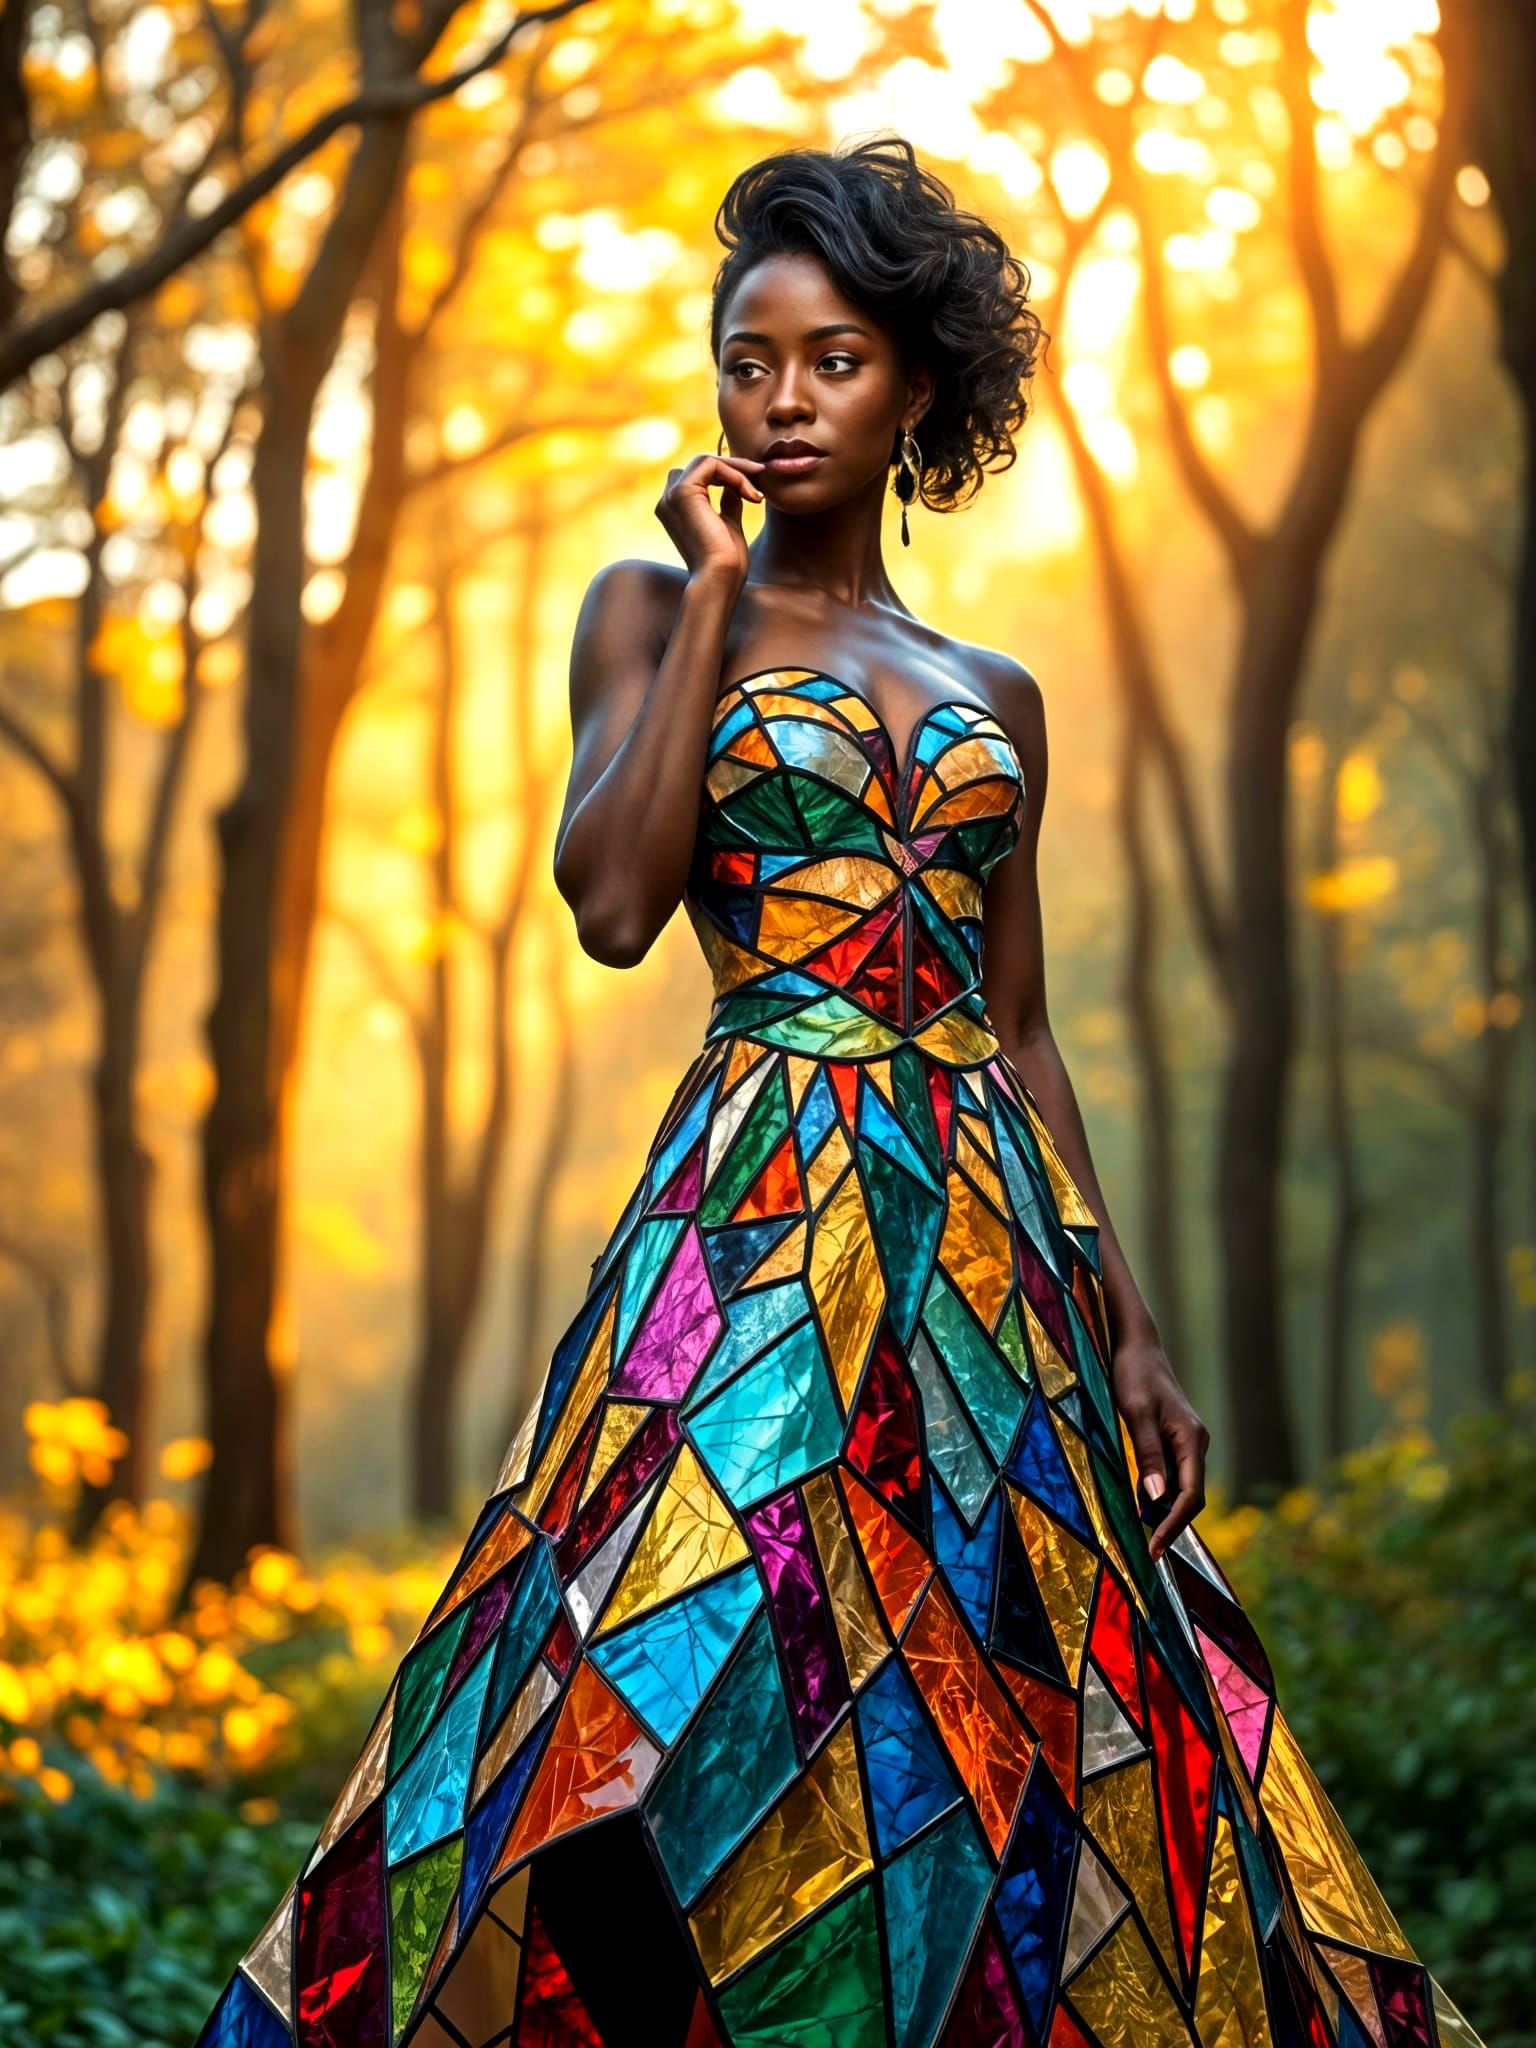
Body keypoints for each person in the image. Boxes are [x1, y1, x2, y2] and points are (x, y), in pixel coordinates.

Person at [195, 137, 1485, 2048]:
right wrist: (716, 595)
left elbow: (1019, 1025)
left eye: (833, 361)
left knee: (1002, 1695)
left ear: (916, 389)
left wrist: (1130, 1324)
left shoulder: (997, 688)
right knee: (653, 1651)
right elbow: (618, 902)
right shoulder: (650, 609)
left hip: (985, 1252)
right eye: (746, 360)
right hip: (754, 1215)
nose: (781, 401)